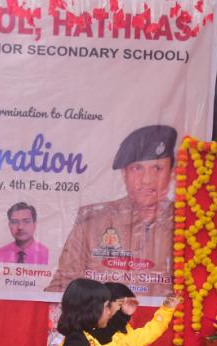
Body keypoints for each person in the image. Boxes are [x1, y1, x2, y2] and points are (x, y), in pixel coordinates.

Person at [46, 125, 178, 296]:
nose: (146, 180)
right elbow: (61, 288)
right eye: (137, 168)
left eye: (157, 168)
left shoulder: (187, 225)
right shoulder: (92, 223)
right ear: (124, 174)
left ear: (172, 173)